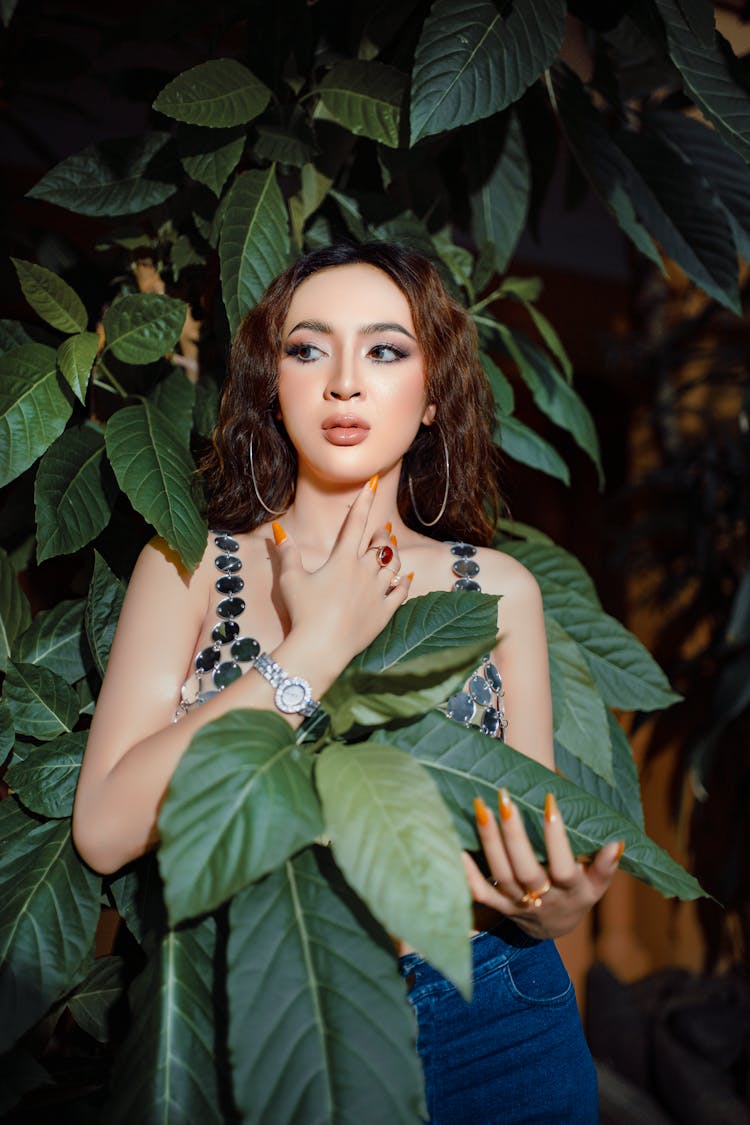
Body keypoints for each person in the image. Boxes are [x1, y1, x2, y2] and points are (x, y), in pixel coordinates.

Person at [73, 241, 621, 1123]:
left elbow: (523, 838)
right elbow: (104, 829)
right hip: (274, 1009)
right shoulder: (184, 565)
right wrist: (313, 646)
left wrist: (544, 911)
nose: (342, 382)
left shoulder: (500, 592)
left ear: (434, 390)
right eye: (306, 347)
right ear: (270, 381)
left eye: (386, 349)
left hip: (499, 1013)